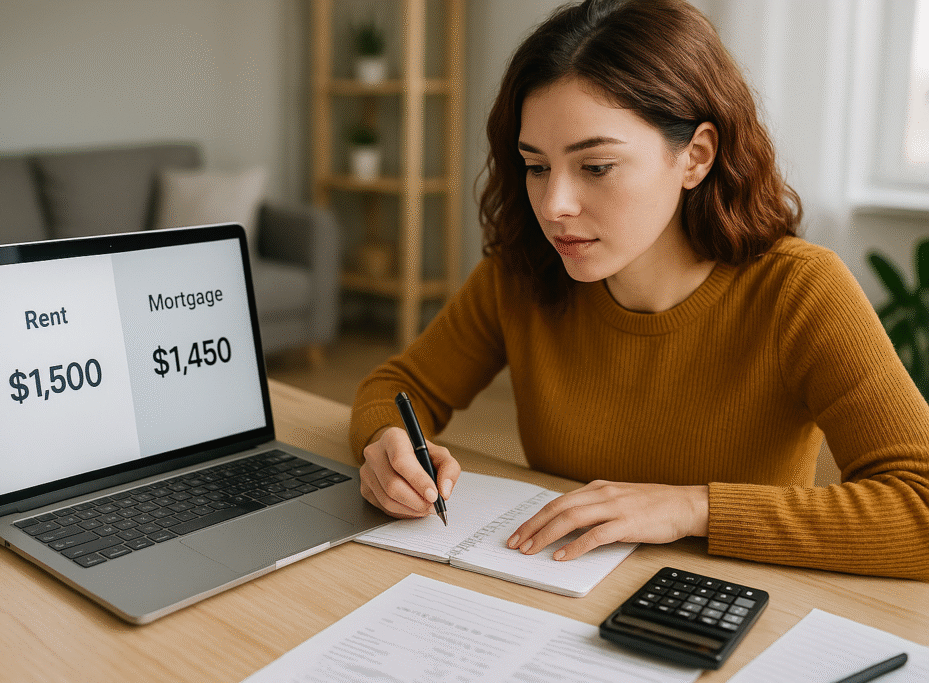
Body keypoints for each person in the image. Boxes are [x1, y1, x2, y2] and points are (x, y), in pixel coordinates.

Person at [348, 0, 929, 581]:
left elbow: (921, 508)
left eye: (596, 166)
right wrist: (387, 443)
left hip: (721, 609)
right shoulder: (523, 274)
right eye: (537, 166)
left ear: (695, 157)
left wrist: (690, 507)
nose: (554, 207)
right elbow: (400, 386)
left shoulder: (798, 290)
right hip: (555, 586)